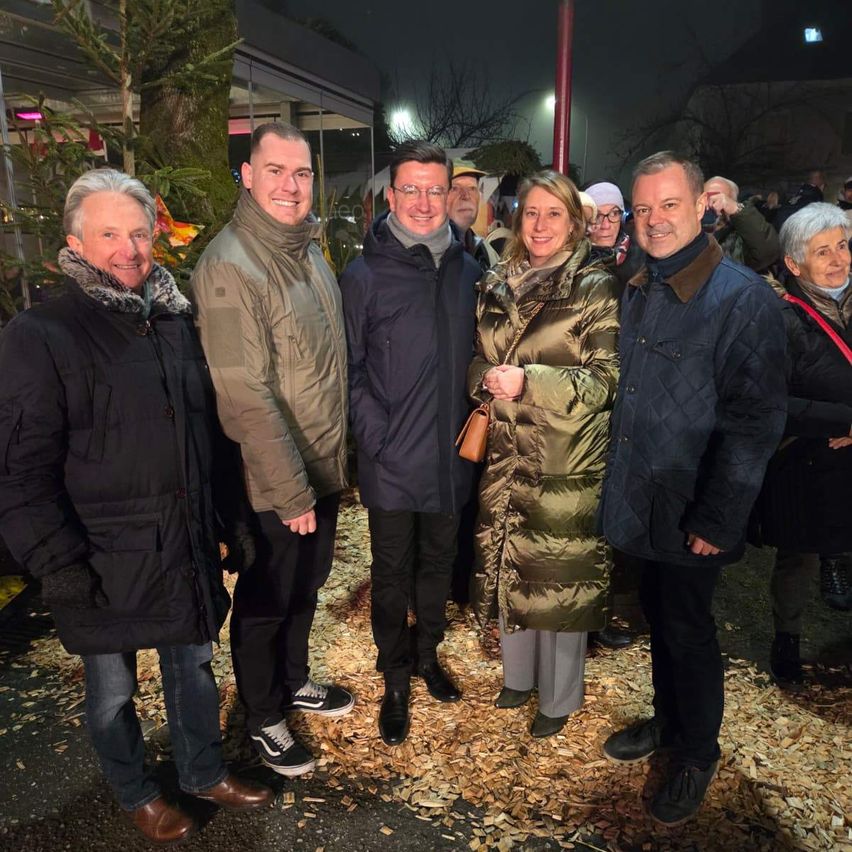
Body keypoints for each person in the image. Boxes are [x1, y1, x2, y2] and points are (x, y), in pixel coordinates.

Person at [0, 169, 273, 845]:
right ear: (75, 244)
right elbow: (19, 467)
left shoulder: (173, 322)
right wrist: (56, 563)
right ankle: (134, 790)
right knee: (112, 690)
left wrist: (231, 520)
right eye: (109, 235)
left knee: (193, 666)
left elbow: (207, 436)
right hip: (97, 554)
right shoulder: (43, 333)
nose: (129, 249)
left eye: (139, 233)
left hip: (177, 537)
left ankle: (202, 769)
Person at [599, 151, 787, 826]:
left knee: (689, 628)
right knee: (660, 615)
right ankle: (669, 720)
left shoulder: (741, 298)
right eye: (642, 208)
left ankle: (697, 752)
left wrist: (718, 517)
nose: (654, 219)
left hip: (692, 503)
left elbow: (754, 424)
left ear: (703, 206)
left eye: (669, 204)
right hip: (644, 491)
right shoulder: (641, 282)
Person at [191, 123, 353, 778]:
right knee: (267, 599)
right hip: (274, 481)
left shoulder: (307, 251)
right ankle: (263, 714)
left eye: (302, 172)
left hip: (320, 464)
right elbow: (243, 394)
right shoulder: (230, 266)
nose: (291, 185)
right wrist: (290, 490)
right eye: (276, 170)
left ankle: (293, 679)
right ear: (248, 176)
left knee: (305, 586)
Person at [467, 170, 620, 738]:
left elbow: (606, 381)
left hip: (565, 458)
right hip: (507, 453)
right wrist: (485, 379)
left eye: (554, 213)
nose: (540, 225)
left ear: (575, 223)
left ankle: (559, 696)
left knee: (558, 577)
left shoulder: (593, 287)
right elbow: (477, 359)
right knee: (512, 564)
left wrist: (528, 381)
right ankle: (518, 676)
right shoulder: (497, 281)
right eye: (531, 212)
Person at [340, 141, 479, 746]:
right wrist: (377, 438)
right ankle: (394, 674)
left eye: (435, 190)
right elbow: (348, 369)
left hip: (451, 457)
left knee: (439, 565)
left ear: (450, 194)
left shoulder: (470, 272)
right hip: (392, 460)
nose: (424, 202)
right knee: (392, 572)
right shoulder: (364, 275)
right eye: (411, 189)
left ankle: (427, 654)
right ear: (391, 196)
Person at [750, 203, 852, 687]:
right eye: (822, 251)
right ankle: (787, 639)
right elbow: (771, 401)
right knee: (799, 554)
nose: (838, 259)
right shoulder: (780, 318)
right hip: (807, 458)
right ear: (793, 263)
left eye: (843, 246)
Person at [703, 175, 780, 273]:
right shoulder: (691, 229)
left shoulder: (739, 238)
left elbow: (768, 251)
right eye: (706, 198)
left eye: (718, 199)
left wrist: (736, 210)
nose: (711, 204)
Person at [585, 181, 645, 286]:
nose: (606, 225)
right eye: (597, 216)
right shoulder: (571, 261)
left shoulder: (642, 263)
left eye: (614, 213)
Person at [447, 159, 500, 272]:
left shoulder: (485, 250)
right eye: (455, 188)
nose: (466, 196)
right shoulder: (430, 253)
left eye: (472, 188)